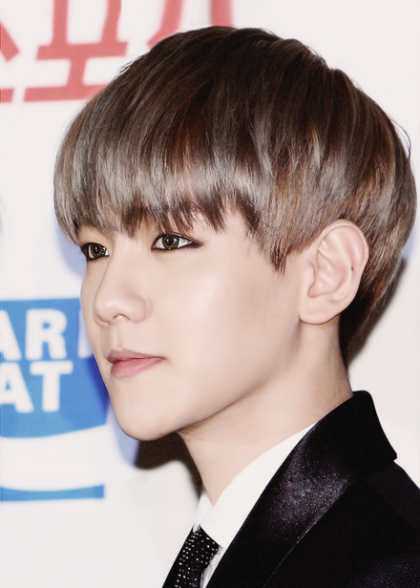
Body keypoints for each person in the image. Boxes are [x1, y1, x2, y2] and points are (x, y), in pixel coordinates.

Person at [54, 27, 420, 587]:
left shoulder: (390, 569)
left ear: (325, 273)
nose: (108, 301)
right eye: (95, 250)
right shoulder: (229, 551)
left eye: (171, 241)